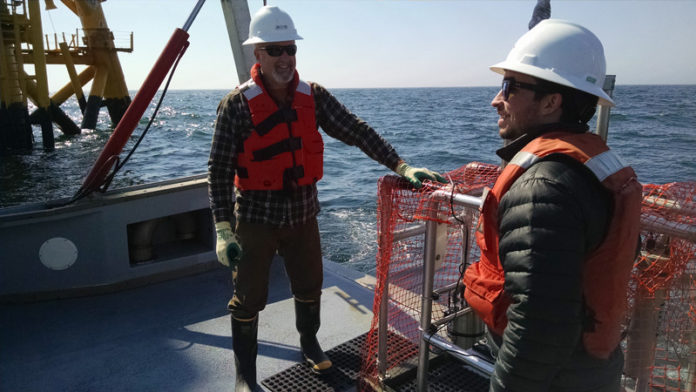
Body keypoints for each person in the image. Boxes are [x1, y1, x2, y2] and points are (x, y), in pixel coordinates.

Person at [207, 6, 444, 391]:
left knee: (309, 284)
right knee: (248, 298)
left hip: (302, 214)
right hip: (254, 217)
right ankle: (244, 376)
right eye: (276, 49)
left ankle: (309, 342)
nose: (285, 57)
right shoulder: (236, 105)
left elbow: (355, 130)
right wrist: (222, 227)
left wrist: (401, 165)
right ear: (258, 55)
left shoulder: (312, 97)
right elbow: (218, 168)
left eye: (291, 49)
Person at [462, 20, 642, 391]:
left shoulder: (542, 190)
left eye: (510, 87)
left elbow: (539, 328)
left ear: (551, 102)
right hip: (586, 369)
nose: (496, 99)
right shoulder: (590, 165)